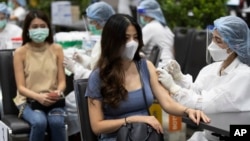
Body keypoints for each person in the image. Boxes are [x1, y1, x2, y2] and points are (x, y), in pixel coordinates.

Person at [85, 14, 210, 141]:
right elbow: (97, 126)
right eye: (126, 38)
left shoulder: (145, 67)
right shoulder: (98, 76)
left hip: (145, 135)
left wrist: (188, 110)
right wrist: (132, 120)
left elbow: (167, 102)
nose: (132, 43)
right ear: (112, 41)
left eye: (135, 38)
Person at [157, 15, 250, 141]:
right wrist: (179, 78)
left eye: (218, 41)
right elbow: (197, 91)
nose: (212, 45)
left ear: (234, 46)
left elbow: (205, 104)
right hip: (208, 134)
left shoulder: (243, 76)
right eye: (213, 38)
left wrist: (174, 88)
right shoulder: (212, 69)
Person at [63, 1, 115, 136]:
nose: (91, 25)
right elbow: (97, 65)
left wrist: (75, 68)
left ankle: (79, 135)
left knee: (68, 103)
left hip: (104, 90)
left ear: (100, 21)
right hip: (100, 85)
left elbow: (100, 75)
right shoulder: (105, 38)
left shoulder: (109, 42)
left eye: (92, 22)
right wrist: (82, 60)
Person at [13, 10, 66, 141]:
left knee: (57, 123)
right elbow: (21, 87)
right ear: (27, 30)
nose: (39, 30)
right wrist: (39, 97)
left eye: (43, 26)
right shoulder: (20, 52)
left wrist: (57, 93)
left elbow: (62, 82)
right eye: (35, 27)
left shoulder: (57, 49)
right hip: (28, 101)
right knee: (39, 122)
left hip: (53, 100)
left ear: (48, 28)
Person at [137, 0, 174, 67]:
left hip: (159, 67)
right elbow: (172, 50)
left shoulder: (149, 27)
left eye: (142, 13)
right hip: (171, 66)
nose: (141, 16)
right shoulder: (167, 29)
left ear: (149, 13)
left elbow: (135, 48)